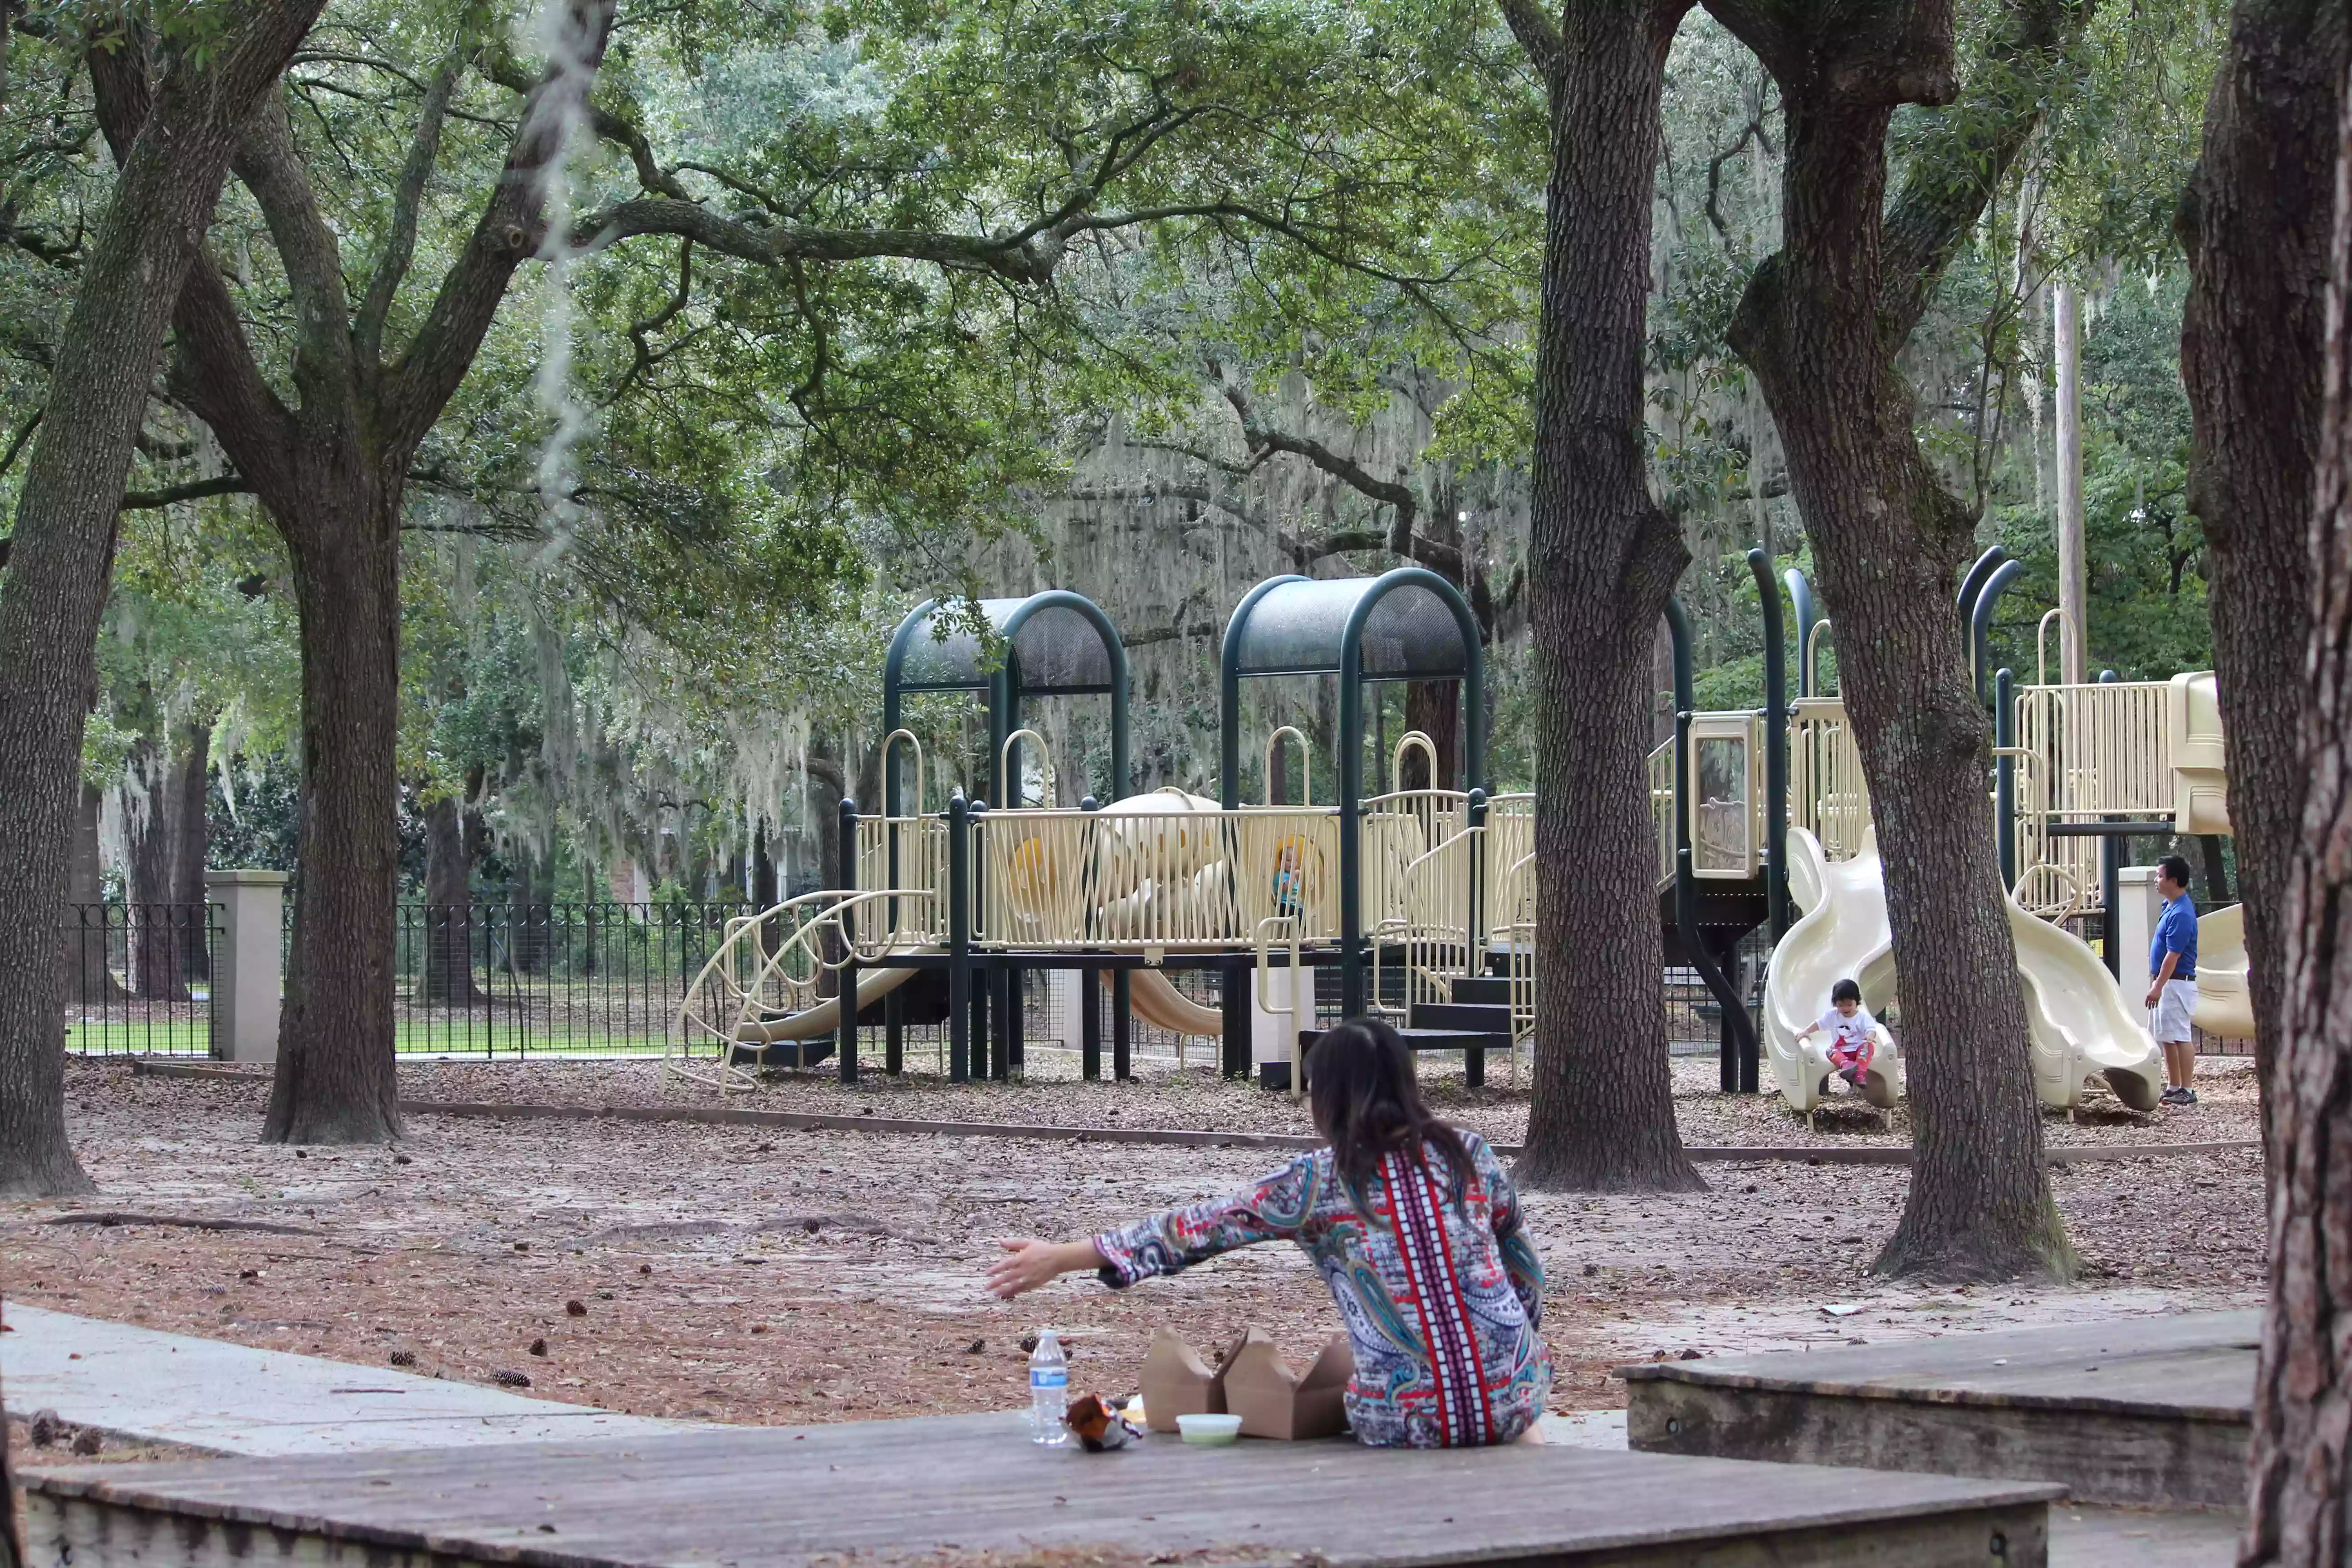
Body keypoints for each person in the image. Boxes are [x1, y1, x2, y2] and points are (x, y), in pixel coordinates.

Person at [986, 1017, 1552, 1448]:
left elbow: (1199, 1228)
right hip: (1516, 1396)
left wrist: (1062, 1257)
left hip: (1404, 1419)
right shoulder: (1468, 1154)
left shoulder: (1321, 1182)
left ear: (1327, 1098)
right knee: (1507, 1420)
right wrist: (1498, 1360)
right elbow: (1523, 1270)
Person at [2144, 853, 2200, 1106]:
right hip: (2167, 982)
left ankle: (2187, 1089)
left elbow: (2173, 956)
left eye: (2160, 876)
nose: (2156, 880)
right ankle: (2174, 1085)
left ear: (2174, 880)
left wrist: (2157, 987)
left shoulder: (2182, 914)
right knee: (2166, 1035)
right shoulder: (2171, 907)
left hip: (2176, 983)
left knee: (2180, 1035)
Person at [1795, 977, 1878, 1095]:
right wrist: (1806, 1031)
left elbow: (1871, 1029)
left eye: (1849, 1005)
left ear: (1857, 1002)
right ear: (1835, 1004)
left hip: (1858, 1051)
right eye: (1841, 1005)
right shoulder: (1832, 1015)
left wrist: (1870, 1036)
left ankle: (1859, 1072)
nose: (1845, 1008)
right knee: (1830, 1051)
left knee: (1868, 1047)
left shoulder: (1863, 1018)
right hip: (1841, 1052)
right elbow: (1819, 1024)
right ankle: (1847, 1065)